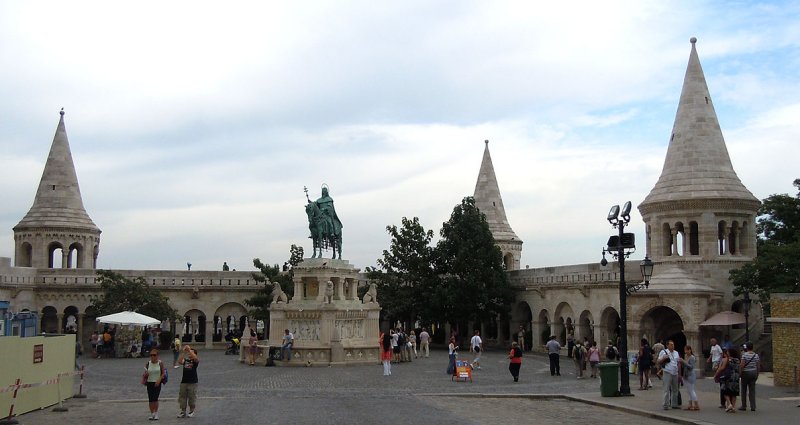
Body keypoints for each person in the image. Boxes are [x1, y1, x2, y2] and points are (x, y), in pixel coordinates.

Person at [714, 348, 740, 412]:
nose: (727, 352)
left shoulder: (727, 359)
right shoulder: (737, 360)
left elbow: (722, 368)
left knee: (725, 390)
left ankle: (729, 404)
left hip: (729, 376)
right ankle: (733, 407)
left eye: (728, 352)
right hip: (736, 376)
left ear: (730, 353)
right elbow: (739, 368)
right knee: (734, 392)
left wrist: (716, 375)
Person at [657, 340, 681, 410]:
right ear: (667, 345)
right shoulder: (663, 352)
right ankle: (665, 405)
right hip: (667, 371)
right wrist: (663, 358)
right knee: (666, 389)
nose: (672, 346)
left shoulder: (676, 353)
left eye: (673, 344)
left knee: (675, 389)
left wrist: (679, 373)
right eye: (671, 345)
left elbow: (678, 362)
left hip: (675, 372)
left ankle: (674, 404)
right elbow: (658, 361)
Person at [177, 345, 199, 418]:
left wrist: (189, 350)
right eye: (189, 353)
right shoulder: (186, 360)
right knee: (182, 397)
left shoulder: (195, 361)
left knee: (192, 397)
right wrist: (184, 351)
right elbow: (180, 361)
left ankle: (191, 411)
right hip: (184, 381)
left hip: (193, 382)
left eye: (191, 353)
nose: (190, 354)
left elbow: (195, 358)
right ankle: (183, 411)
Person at [143, 349, 166, 420]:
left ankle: (156, 413)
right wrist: (145, 375)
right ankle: (152, 413)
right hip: (149, 382)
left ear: (157, 356)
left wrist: (159, 380)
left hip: (157, 382)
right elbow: (145, 373)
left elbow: (163, 373)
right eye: (151, 355)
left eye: (154, 355)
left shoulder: (160, 363)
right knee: (150, 399)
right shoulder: (148, 363)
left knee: (155, 398)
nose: (152, 356)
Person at [739, 342, 760, 411]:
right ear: (752, 347)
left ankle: (744, 405)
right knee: (752, 390)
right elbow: (758, 366)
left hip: (746, 373)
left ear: (746, 348)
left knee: (744, 389)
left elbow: (742, 365)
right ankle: (753, 406)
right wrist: (757, 374)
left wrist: (740, 373)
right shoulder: (756, 355)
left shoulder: (744, 355)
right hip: (753, 372)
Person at [680, 345, 699, 411]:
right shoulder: (686, 356)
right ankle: (690, 405)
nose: (686, 351)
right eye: (685, 350)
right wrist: (682, 363)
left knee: (691, 390)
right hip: (685, 375)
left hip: (690, 375)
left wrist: (683, 362)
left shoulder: (692, 357)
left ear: (690, 350)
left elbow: (691, 367)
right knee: (688, 391)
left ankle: (696, 404)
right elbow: (685, 366)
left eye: (687, 350)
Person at [707, 337, 724, 408]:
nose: (711, 342)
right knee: (714, 368)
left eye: (712, 341)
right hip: (714, 360)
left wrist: (721, 360)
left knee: (716, 368)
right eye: (711, 341)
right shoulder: (712, 347)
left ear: (715, 341)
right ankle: (716, 375)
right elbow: (711, 354)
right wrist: (709, 359)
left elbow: (721, 353)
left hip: (717, 360)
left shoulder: (718, 347)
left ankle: (717, 375)